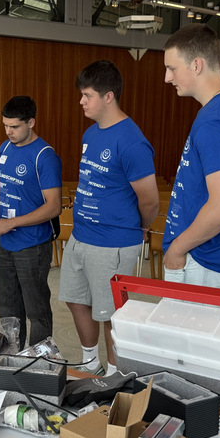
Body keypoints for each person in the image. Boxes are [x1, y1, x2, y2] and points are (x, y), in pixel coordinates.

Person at [57, 60, 159, 376]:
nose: (81, 101)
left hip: (114, 241)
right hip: (80, 236)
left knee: (110, 313)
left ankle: (114, 373)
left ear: (109, 96)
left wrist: (142, 226)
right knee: (76, 300)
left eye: (87, 95)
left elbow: (150, 199)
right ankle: (90, 360)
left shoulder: (131, 141)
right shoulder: (91, 132)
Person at [161, 24, 220, 291]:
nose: (167, 78)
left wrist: (178, 248)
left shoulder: (214, 121)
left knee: (187, 333)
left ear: (197, 65)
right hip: (210, 257)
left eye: (172, 68)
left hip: (203, 259)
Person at [0, 96, 62, 348]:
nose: (9, 131)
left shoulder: (45, 156)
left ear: (31, 122)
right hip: (4, 241)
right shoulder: (5, 148)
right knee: (8, 308)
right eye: (5, 125)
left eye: (15, 126)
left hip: (32, 245)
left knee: (36, 310)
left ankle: (38, 362)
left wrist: (13, 223)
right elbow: (4, 184)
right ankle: (12, 356)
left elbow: (53, 206)